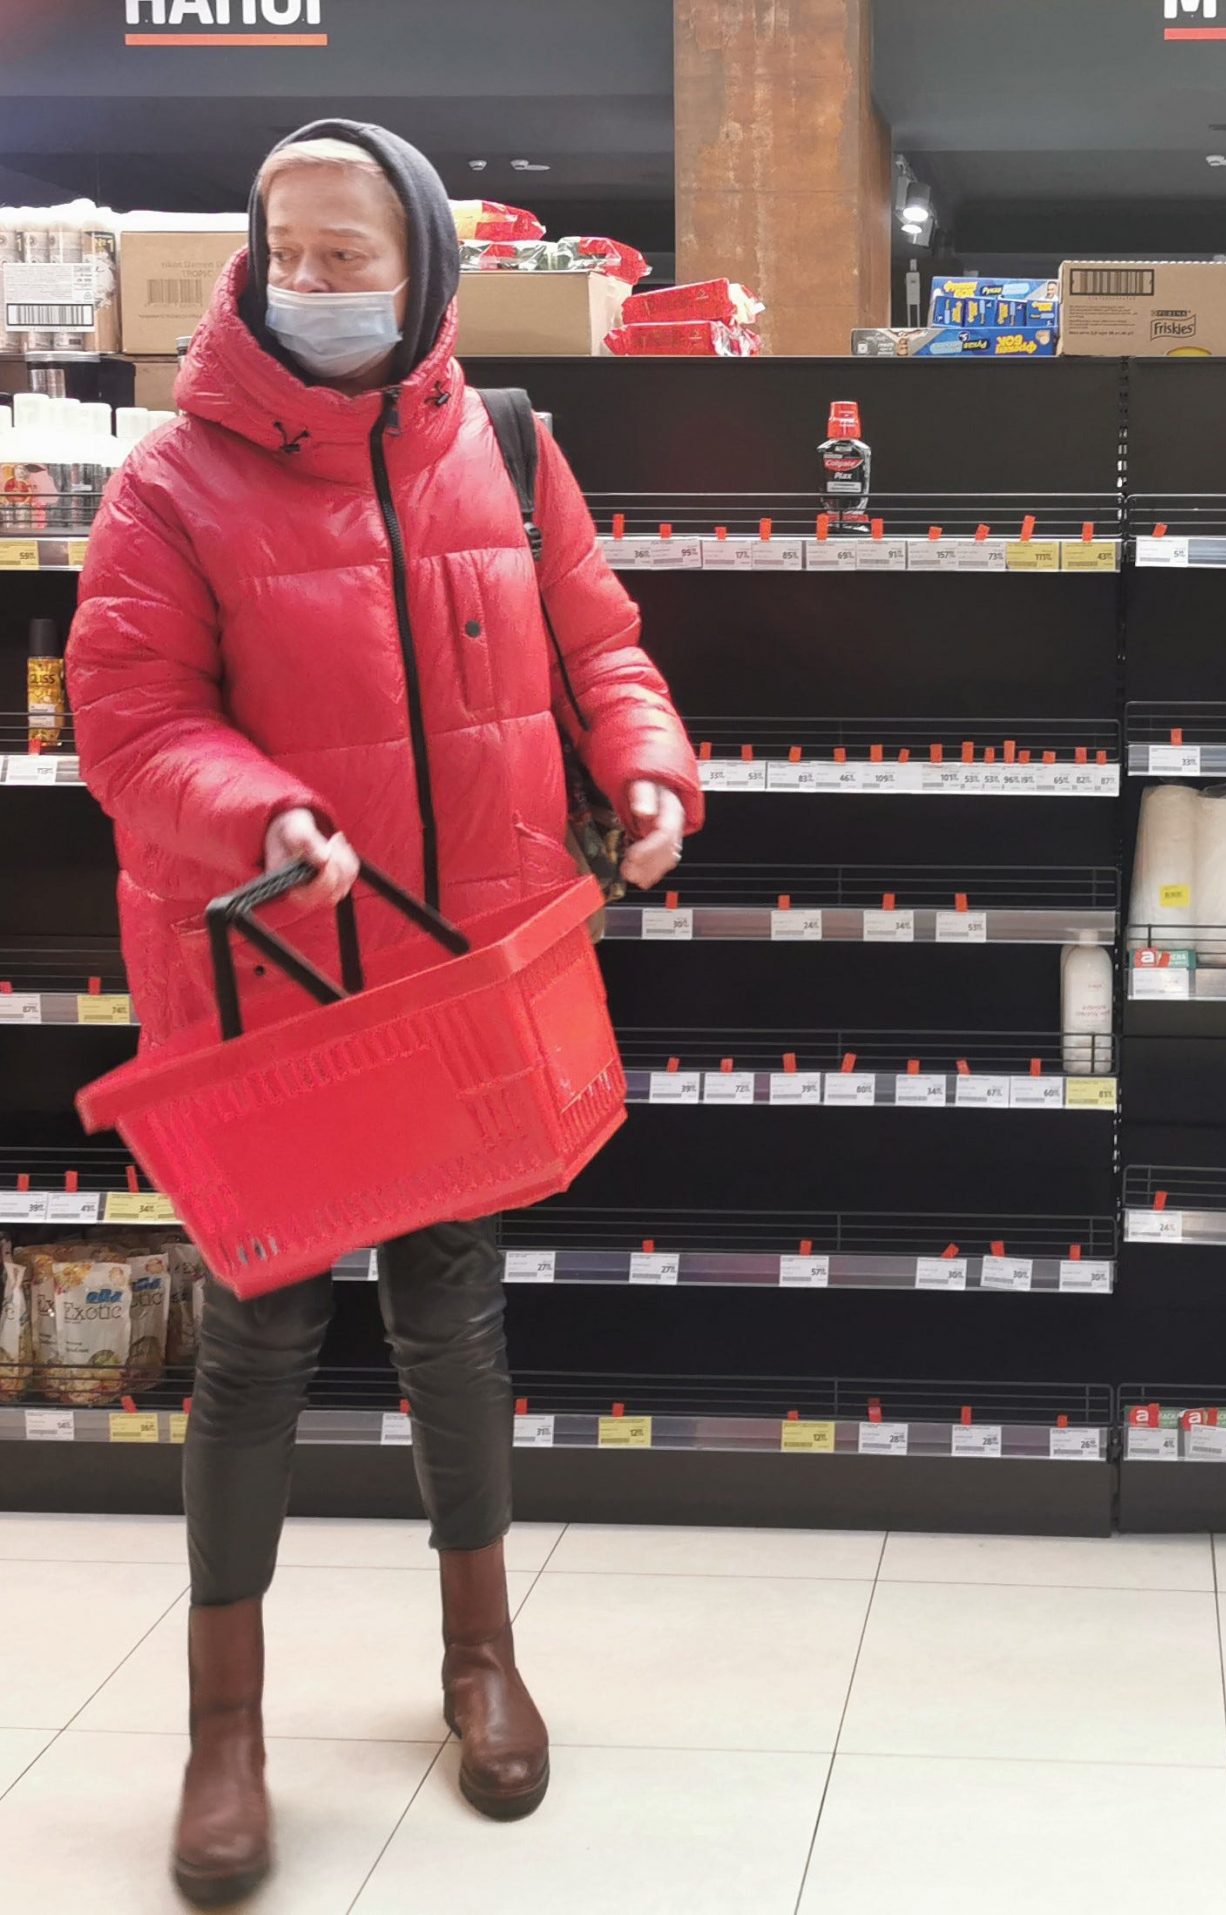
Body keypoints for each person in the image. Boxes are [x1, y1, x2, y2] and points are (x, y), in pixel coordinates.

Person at [67, 121, 701, 1906]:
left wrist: (646, 769)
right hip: (271, 981)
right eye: (288, 248)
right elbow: (125, 722)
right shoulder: (171, 483)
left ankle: (479, 1660)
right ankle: (224, 1729)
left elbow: (602, 647)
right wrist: (261, 812)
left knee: (456, 1316)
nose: (314, 280)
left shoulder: (506, 449)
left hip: (459, 972)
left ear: (423, 266)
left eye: (352, 252)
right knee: (256, 1347)